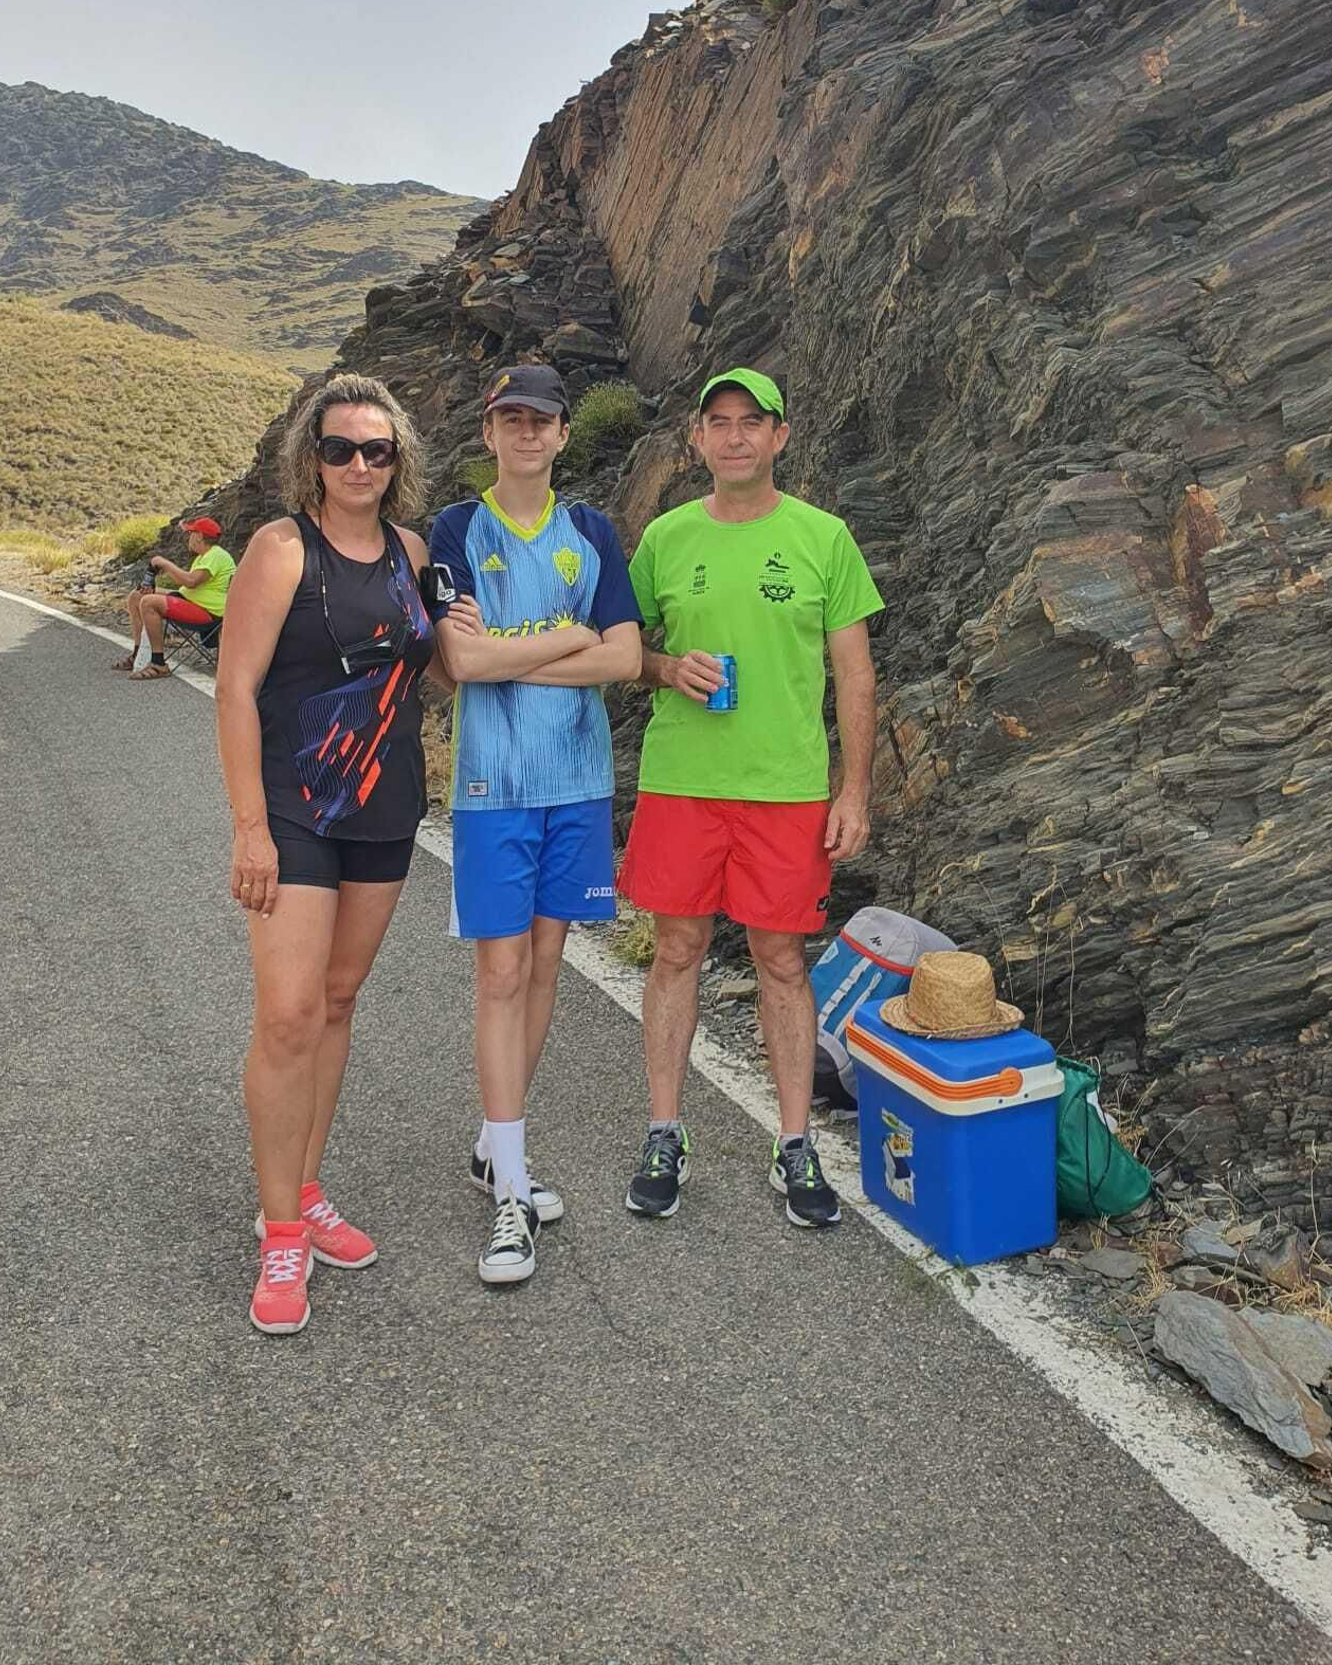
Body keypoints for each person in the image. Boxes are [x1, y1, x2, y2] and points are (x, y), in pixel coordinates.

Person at [618, 366, 882, 1229]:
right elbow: (623, 649)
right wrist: (665, 667)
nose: (734, 436)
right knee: (676, 950)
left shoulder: (824, 537)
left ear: (780, 436)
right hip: (682, 783)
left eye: (751, 422)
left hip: (785, 789)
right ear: (696, 441)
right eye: (717, 422)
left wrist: (853, 790)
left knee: (781, 960)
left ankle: (795, 1142)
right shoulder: (664, 537)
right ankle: (665, 1130)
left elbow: (854, 671)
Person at [215, 373, 442, 1336]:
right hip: (295, 807)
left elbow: (439, 662)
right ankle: (278, 1232)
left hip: (387, 810)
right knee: (290, 1012)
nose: (358, 464)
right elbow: (234, 688)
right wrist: (250, 826)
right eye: (341, 447)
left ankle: (307, 1188)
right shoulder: (278, 550)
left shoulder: (412, 551)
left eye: (376, 449)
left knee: (340, 1000)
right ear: (311, 455)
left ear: (398, 462)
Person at [431, 363, 642, 1285]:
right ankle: (512, 1189)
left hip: (577, 781)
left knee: (549, 965)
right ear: (489, 431)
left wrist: (508, 653)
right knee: (502, 969)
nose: (527, 432)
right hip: (491, 787)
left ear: (562, 434)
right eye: (510, 417)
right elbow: (459, 662)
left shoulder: (591, 530)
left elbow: (628, 657)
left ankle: (496, 1145)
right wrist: (567, 637)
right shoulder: (454, 529)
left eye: (542, 420)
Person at [114, 517, 235, 680]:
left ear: (199, 536)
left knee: (149, 602)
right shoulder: (204, 557)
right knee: (137, 596)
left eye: (191, 533)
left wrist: (164, 564)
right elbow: (186, 584)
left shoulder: (216, 555)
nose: (188, 538)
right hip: (192, 602)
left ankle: (158, 664)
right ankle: (138, 654)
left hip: (209, 612)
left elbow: (191, 581)